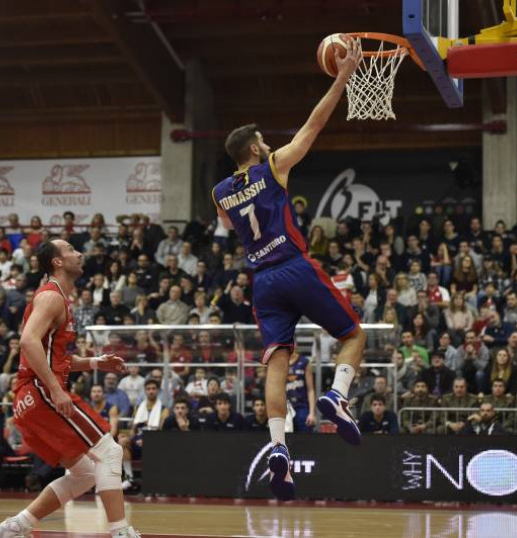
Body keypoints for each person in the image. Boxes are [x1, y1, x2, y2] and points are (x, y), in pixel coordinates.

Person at [211, 40, 363, 500]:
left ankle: (278, 447)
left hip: (262, 282)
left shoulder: (220, 191)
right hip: (292, 266)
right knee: (353, 336)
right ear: (256, 147)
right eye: (263, 140)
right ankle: (338, 395)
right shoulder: (273, 166)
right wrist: (341, 78)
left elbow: (228, 225)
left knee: (277, 362)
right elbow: (312, 127)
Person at [0, 240, 139, 538]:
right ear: (57, 262)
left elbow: (55, 358)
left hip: (30, 397)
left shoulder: (57, 299)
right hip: (41, 391)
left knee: (84, 474)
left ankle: (16, 526)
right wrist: (56, 391)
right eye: (70, 249)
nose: (79, 253)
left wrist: (96, 362)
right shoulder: (51, 297)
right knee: (110, 452)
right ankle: (121, 533)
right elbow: (29, 342)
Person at [286, 351, 316, 433]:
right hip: (285, 407)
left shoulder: (304, 362)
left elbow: (311, 390)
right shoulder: (280, 362)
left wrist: (312, 413)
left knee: (305, 439)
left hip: (301, 406)